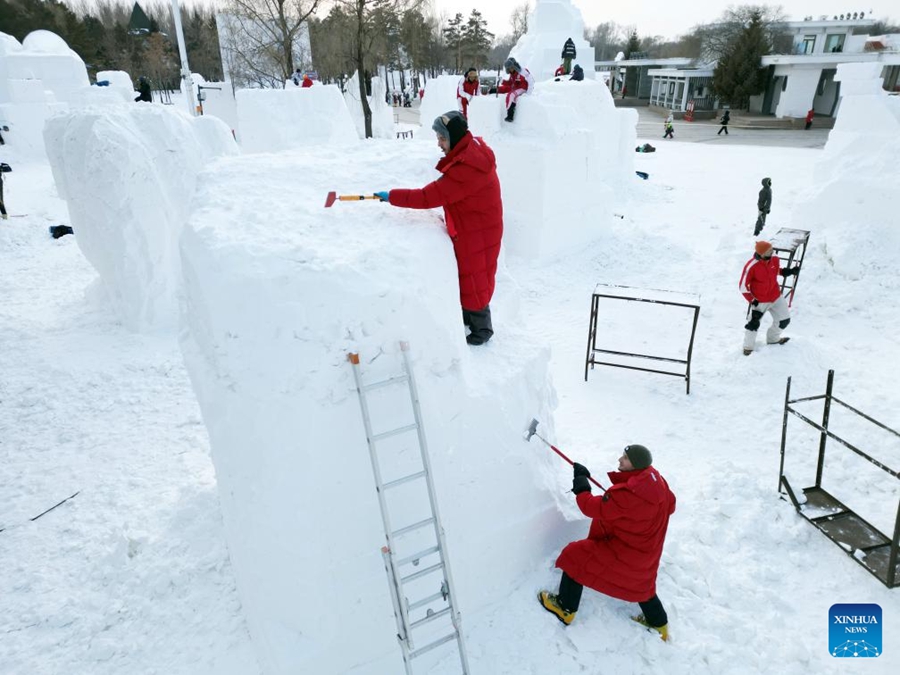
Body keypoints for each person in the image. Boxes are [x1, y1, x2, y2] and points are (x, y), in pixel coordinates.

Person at [373, 112, 503, 345]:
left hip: (477, 230)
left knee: (474, 278)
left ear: (453, 137)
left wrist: (392, 196)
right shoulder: (472, 151)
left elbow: (426, 197)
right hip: (479, 224)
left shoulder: (465, 170)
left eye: (442, 139)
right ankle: (469, 315)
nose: (439, 144)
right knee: (474, 276)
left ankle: (482, 330)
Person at [538, 445, 676, 641]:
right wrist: (626, 509)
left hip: (626, 552)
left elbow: (590, 507)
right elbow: (670, 504)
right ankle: (659, 624)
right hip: (646, 551)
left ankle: (564, 608)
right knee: (641, 582)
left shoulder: (630, 495)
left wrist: (581, 485)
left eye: (626, 458)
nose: (620, 459)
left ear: (636, 465)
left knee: (576, 556)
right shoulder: (657, 481)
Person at [739, 240, 800, 356]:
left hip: (775, 296)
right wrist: (753, 300)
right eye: (769, 250)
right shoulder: (752, 265)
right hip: (759, 300)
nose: (772, 251)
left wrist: (789, 271)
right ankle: (748, 348)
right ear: (762, 253)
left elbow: (776, 271)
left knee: (784, 320)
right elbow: (742, 286)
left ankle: (773, 339)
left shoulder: (775, 259)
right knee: (753, 324)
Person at [497, 57, 534, 123]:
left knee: (511, 95)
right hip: (515, 88)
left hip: (522, 88)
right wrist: (502, 81)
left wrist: (528, 93)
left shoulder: (523, 71)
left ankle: (510, 115)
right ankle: (491, 90)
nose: (511, 69)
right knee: (502, 88)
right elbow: (510, 83)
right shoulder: (512, 74)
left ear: (515, 65)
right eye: (509, 68)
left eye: (511, 67)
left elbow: (531, 81)